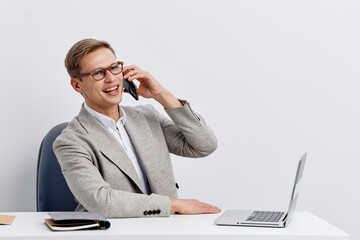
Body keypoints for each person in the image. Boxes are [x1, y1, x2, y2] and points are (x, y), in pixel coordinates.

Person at [53, 38, 221, 218]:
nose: (110, 79)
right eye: (98, 73)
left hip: (167, 230)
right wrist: (174, 204)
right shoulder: (70, 141)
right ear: (77, 85)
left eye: (113, 68)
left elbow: (205, 145)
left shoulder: (147, 117)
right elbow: (101, 202)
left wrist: (161, 94)